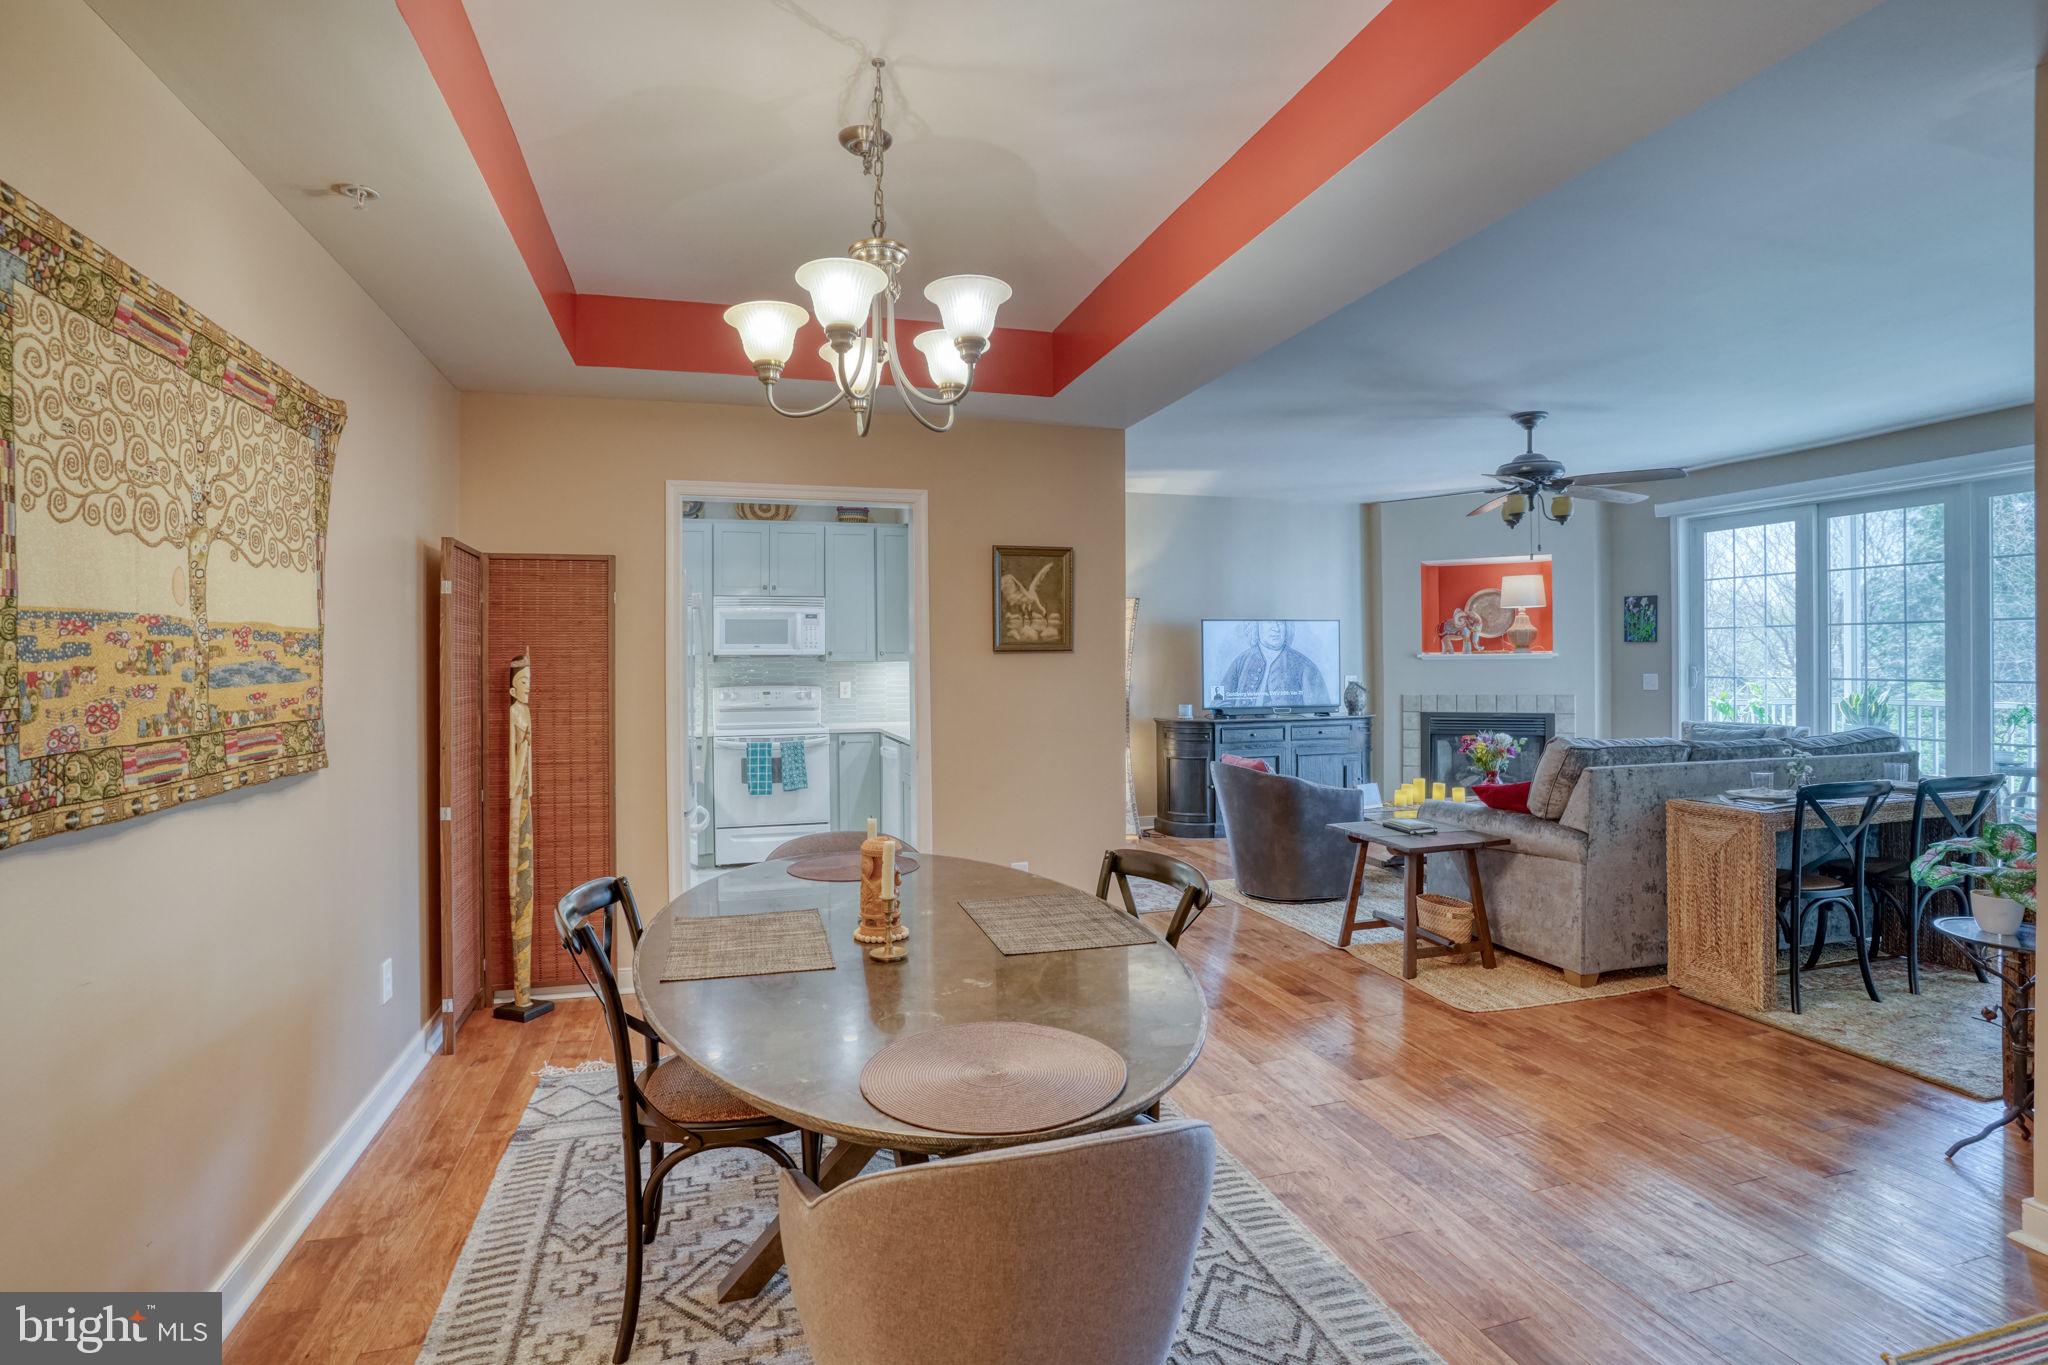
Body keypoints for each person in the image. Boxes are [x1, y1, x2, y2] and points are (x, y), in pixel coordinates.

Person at [1216, 620, 1329, 709]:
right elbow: (1219, 701)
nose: (1276, 628)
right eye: (1269, 622)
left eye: (1280, 623)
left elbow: (1321, 708)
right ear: (1255, 627)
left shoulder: (1306, 666)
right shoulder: (1241, 661)